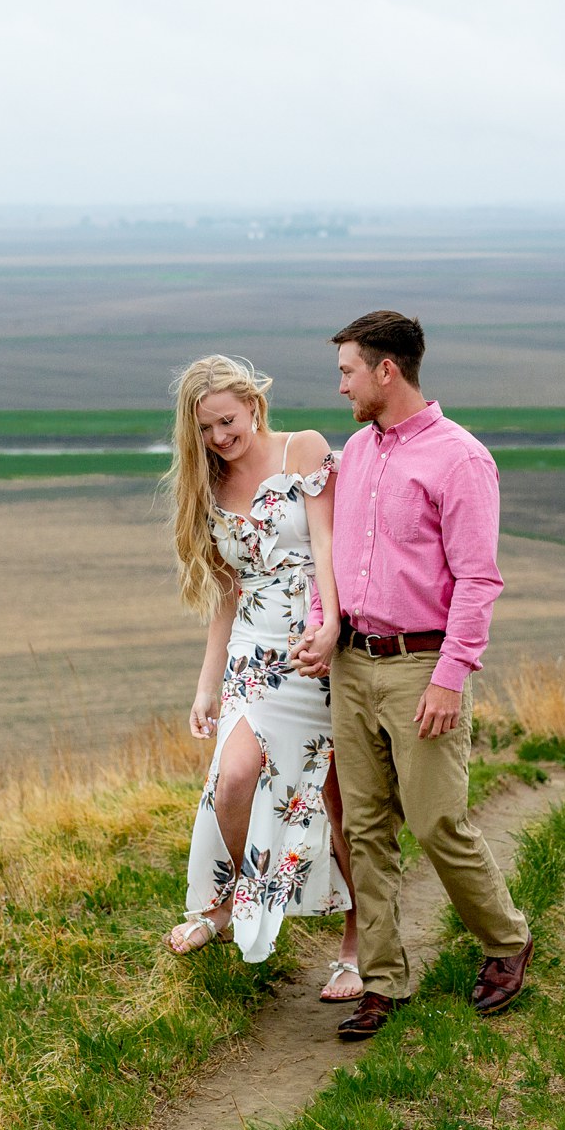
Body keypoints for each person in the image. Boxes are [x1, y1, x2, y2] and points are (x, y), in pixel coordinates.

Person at [292, 310, 533, 1041]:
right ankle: (383, 979)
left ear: (385, 371)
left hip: (421, 664)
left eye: (347, 371)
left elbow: (478, 579)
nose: (341, 387)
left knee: (434, 821)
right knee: (363, 828)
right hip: (351, 662)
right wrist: (319, 620)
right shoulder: (357, 452)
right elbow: (327, 555)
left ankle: (504, 939)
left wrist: (450, 676)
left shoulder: (459, 458)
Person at [161, 355, 365, 1003]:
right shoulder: (209, 486)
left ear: (252, 403)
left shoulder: (302, 449)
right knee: (232, 779)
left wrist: (331, 625)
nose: (222, 436)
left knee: (341, 808)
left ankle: (357, 944)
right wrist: (204, 686)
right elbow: (225, 594)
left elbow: (329, 544)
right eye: (207, 429)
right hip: (253, 654)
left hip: (315, 647)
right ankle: (227, 904)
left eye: (228, 419)